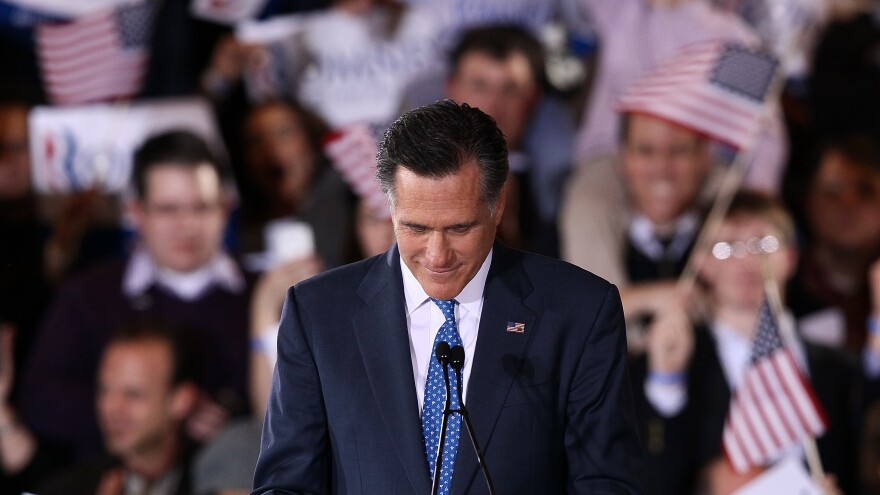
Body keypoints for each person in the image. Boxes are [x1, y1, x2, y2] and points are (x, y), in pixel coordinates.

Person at [253, 100, 642, 493]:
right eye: (416, 228)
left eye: (459, 228)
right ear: (390, 209)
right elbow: (286, 485)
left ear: (498, 205)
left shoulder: (579, 310)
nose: (437, 255)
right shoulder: (318, 314)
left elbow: (605, 482)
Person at [19, 130, 253, 462]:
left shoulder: (263, 296)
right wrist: (157, 419)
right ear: (137, 212)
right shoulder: (88, 294)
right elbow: (41, 399)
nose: (186, 225)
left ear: (225, 209)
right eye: (168, 209)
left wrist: (237, 424)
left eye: (201, 207)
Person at [633, 191, 854, 494]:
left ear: (791, 257)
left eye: (763, 243)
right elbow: (651, 481)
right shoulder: (671, 360)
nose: (748, 259)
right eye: (727, 247)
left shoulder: (839, 368)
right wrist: (666, 385)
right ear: (702, 263)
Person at [39, 319, 200, 494]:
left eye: (133, 394)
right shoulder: (71, 487)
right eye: (104, 390)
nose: (111, 408)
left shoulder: (219, 481)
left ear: (182, 400)